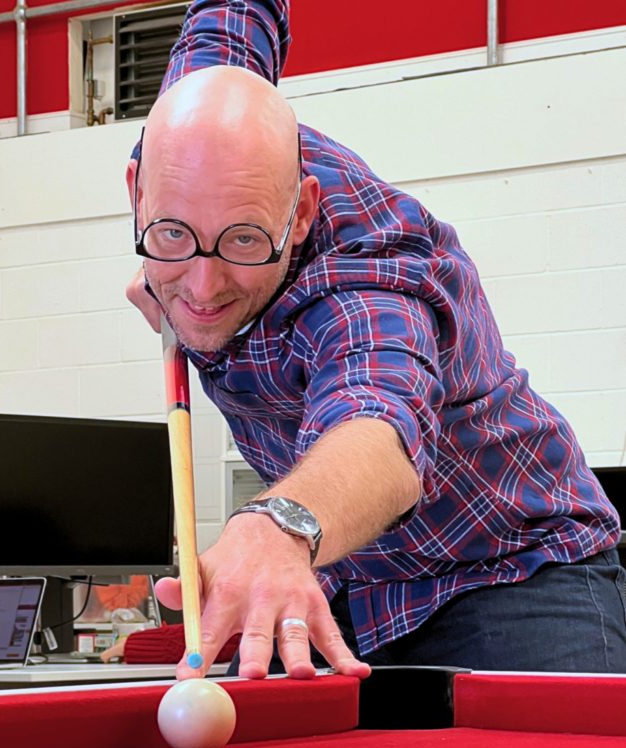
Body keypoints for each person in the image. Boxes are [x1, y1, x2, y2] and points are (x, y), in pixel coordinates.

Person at [124, 0, 626, 680]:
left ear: (299, 213)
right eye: (173, 232)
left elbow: (378, 425)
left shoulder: (365, 279)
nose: (206, 286)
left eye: (244, 240)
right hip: (347, 584)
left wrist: (276, 526)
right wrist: (174, 273)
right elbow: (234, 13)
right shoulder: (195, 118)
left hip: (509, 569)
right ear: (138, 189)